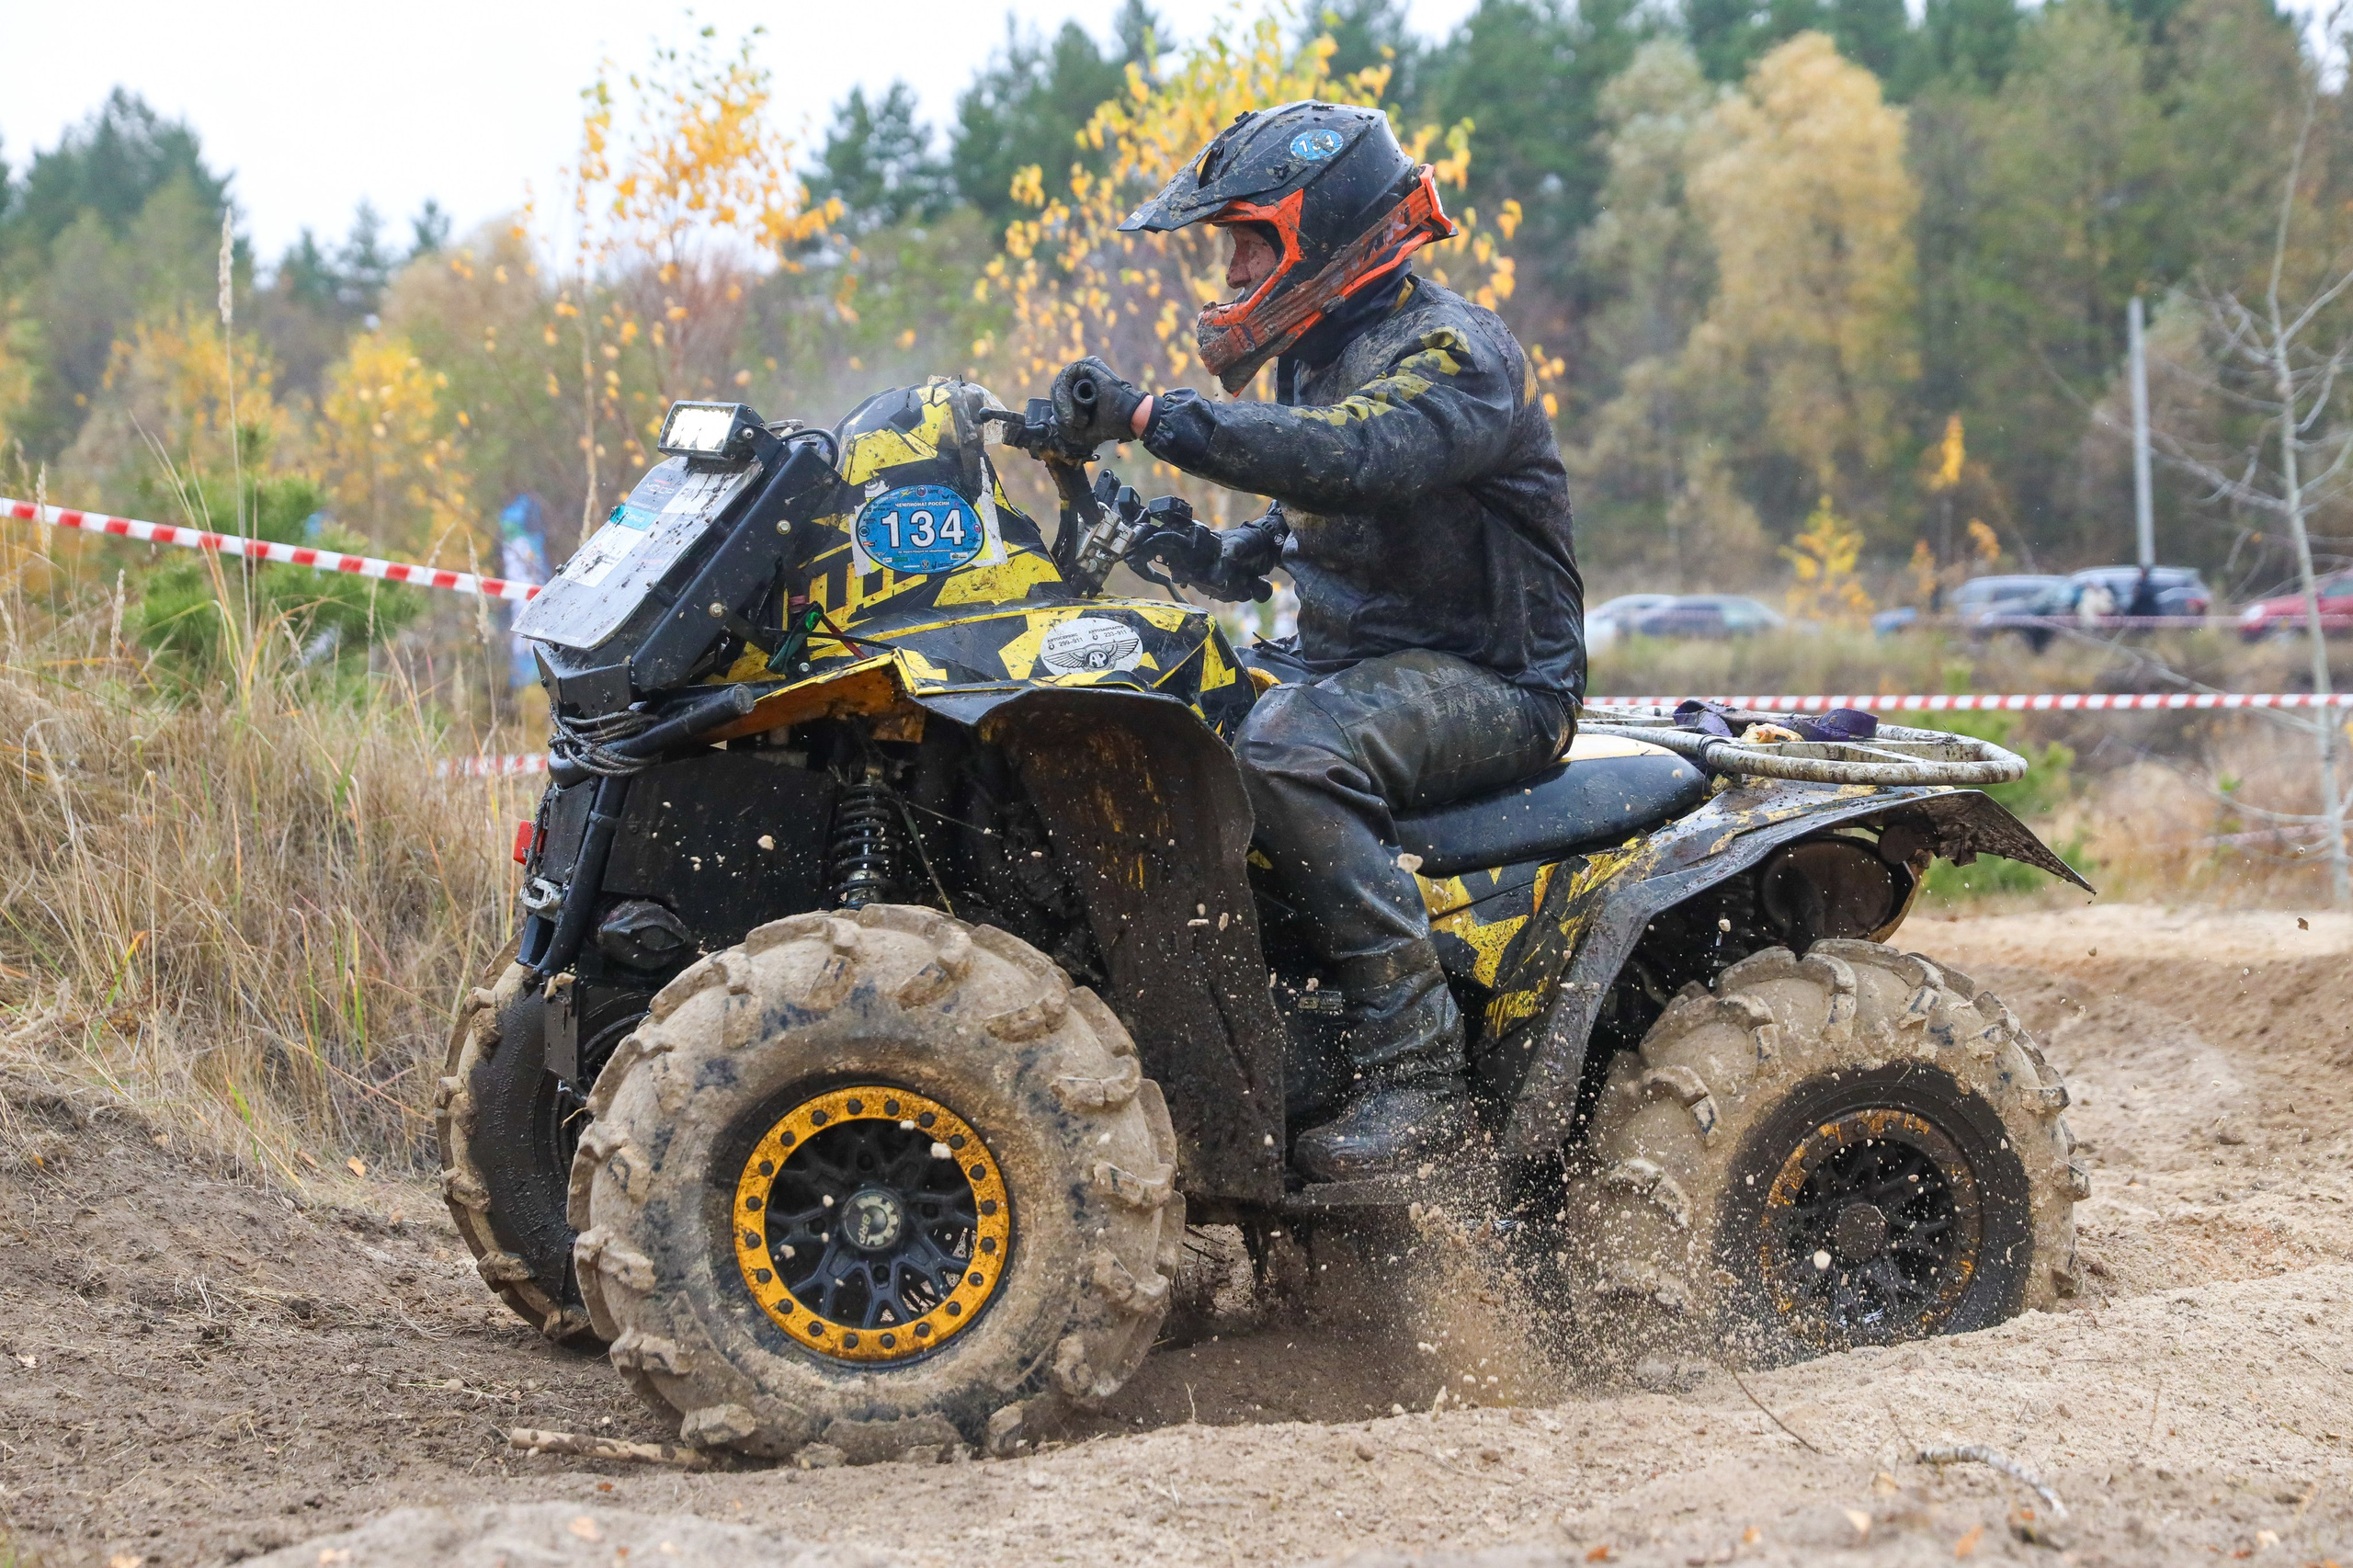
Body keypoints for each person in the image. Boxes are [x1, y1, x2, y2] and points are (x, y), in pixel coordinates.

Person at [1041, 101, 1586, 1180]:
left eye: (1249, 242)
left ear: (1322, 233)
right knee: (1164, 701)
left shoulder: (1456, 351)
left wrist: (1152, 417)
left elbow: (1352, 458)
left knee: (1290, 747)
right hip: (1354, 666)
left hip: (1496, 680)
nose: (1233, 270)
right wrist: (1176, 542)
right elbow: (1293, 529)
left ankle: (1418, 1075)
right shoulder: (1321, 355)